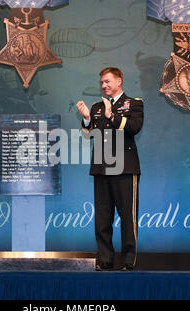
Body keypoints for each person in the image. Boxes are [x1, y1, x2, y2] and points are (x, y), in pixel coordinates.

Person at [76, 67, 144, 271]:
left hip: (124, 166)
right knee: (102, 218)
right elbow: (90, 134)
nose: (104, 86)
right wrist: (87, 119)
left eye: (107, 81)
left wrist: (111, 115)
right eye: (102, 83)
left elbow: (134, 127)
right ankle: (105, 261)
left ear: (119, 81)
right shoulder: (96, 106)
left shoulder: (134, 103)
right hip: (101, 166)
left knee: (127, 217)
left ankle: (128, 261)